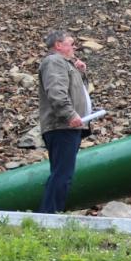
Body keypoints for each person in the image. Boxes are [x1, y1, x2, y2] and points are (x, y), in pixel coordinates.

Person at [38, 29, 91, 214]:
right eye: (71, 42)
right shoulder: (54, 62)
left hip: (66, 126)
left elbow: (78, 93)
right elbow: (57, 92)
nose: (75, 46)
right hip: (62, 126)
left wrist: (81, 73)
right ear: (58, 45)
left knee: (61, 173)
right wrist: (70, 115)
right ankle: (48, 216)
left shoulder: (66, 64)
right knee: (62, 175)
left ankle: (49, 214)